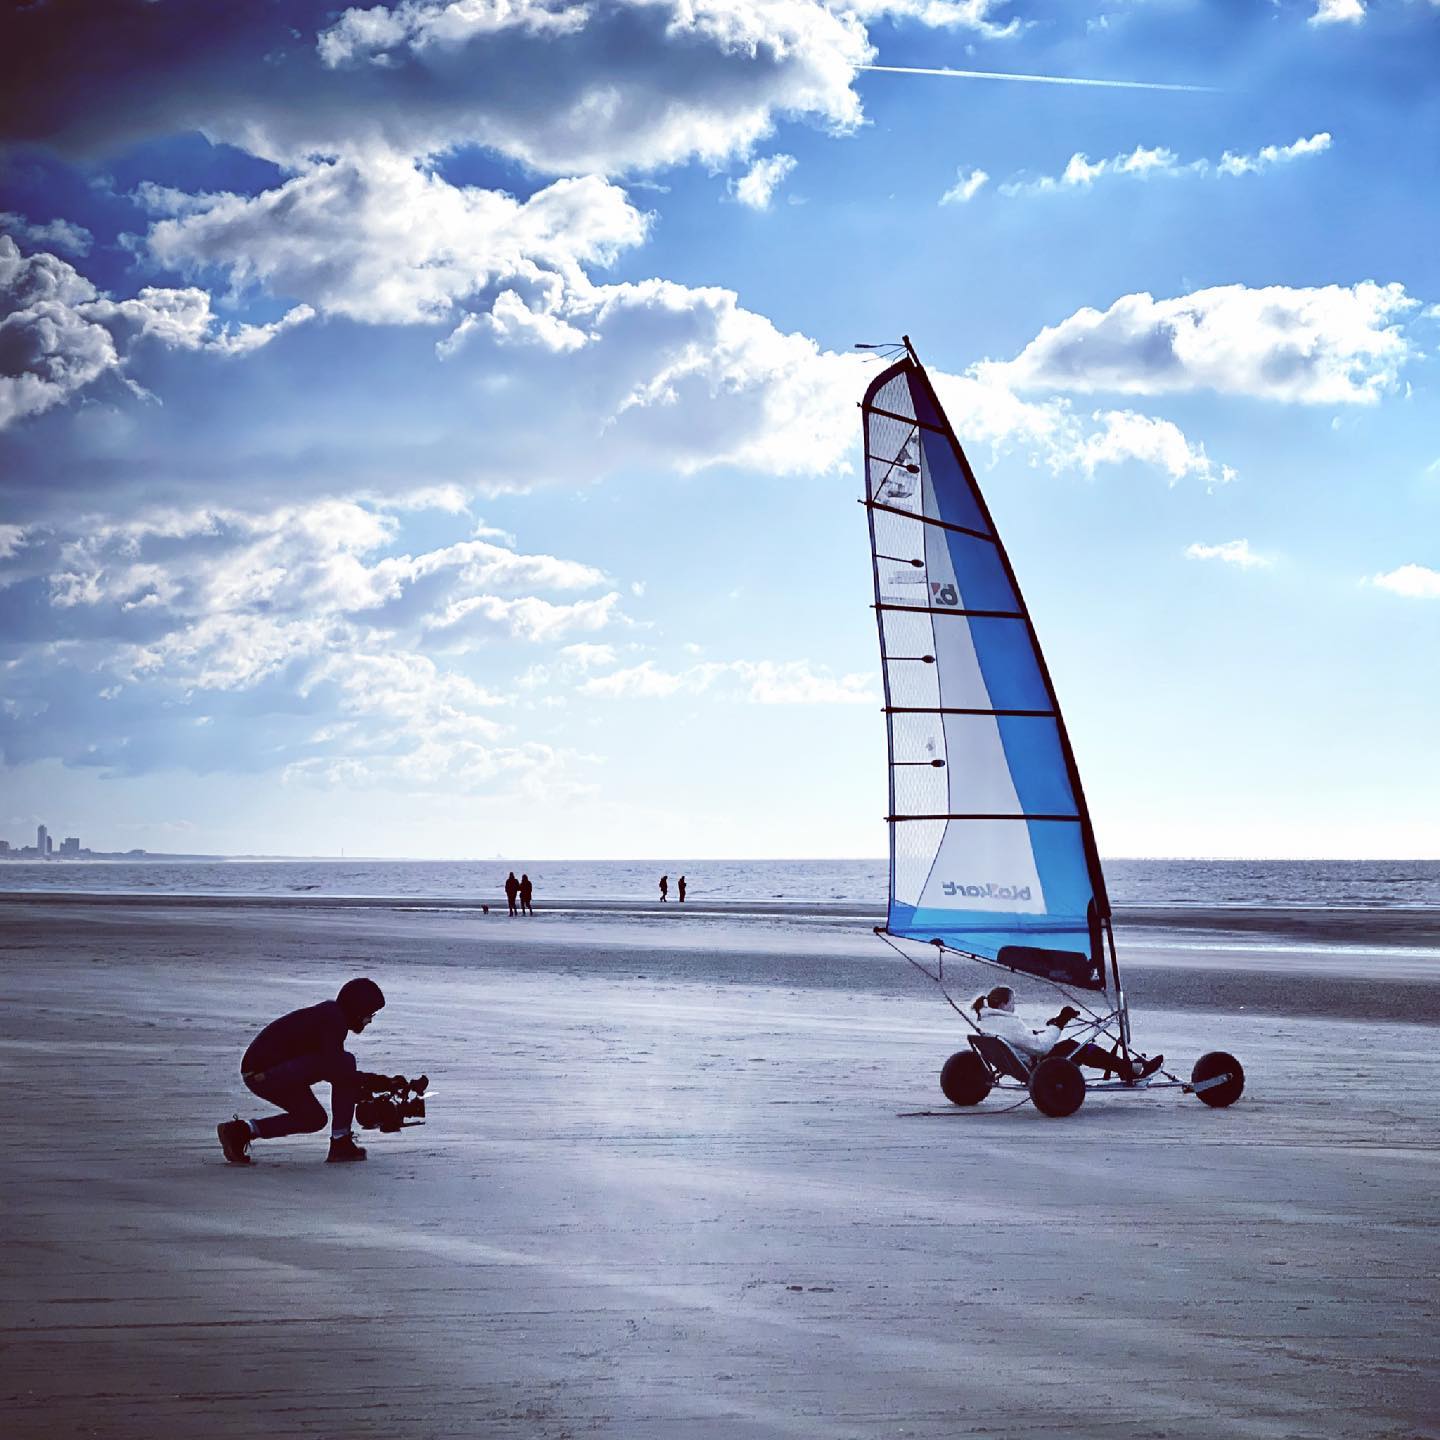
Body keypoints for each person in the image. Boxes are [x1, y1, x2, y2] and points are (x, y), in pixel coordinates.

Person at [216, 977, 385, 1165]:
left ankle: (241, 1131)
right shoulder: (332, 1019)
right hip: (263, 1073)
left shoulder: (331, 1016)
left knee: (313, 1119)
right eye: (369, 1013)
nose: (369, 1020)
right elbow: (334, 1066)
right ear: (356, 1009)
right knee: (345, 1064)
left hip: (265, 1073)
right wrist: (374, 1082)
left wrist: (367, 1083)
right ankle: (341, 1143)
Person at [972, 985, 1163, 1082]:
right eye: (1013, 1002)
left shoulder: (988, 1020)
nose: (1014, 1006)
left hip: (1022, 1061)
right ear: (1004, 1004)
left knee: (1072, 1045)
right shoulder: (1007, 1023)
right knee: (1080, 1048)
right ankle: (1130, 1069)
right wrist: (1061, 1022)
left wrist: (1055, 1024)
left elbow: (1027, 1041)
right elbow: (1040, 1047)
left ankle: (1126, 1067)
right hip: (1035, 1064)